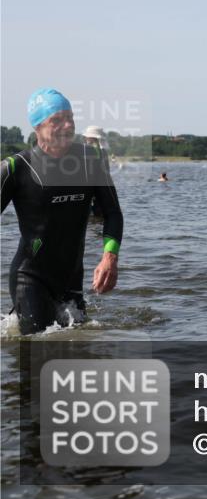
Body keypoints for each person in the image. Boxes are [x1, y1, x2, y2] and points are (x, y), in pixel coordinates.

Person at [1, 89, 123, 335]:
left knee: (79, 357)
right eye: (56, 120)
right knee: (38, 356)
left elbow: (112, 213)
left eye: (70, 117)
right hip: (30, 277)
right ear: (37, 126)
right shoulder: (16, 168)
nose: (67, 125)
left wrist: (110, 257)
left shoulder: (91, 160)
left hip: (71, 279)